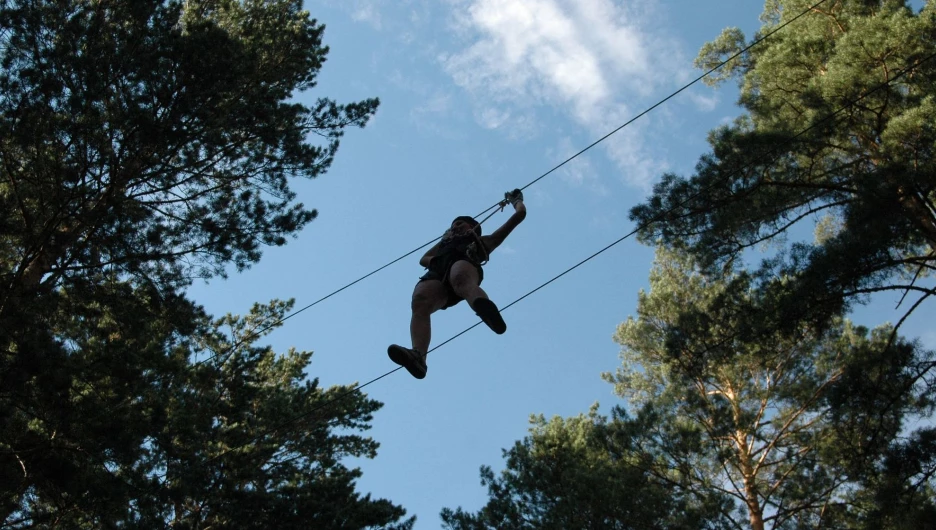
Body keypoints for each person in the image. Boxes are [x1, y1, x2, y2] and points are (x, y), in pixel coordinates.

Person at [388, 189, 527, 379]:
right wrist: (444, 241)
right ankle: (418, 356)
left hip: (463, 267)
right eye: (452, 226)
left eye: (459, 224)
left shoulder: (482, 242)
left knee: (460, 276)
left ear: (473, 227)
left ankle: (484, 308)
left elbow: (520, 215)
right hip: (438, 275)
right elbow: (424, 259)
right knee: (420, 300)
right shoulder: (444, 246)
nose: (455, 227)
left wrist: (516, 201)